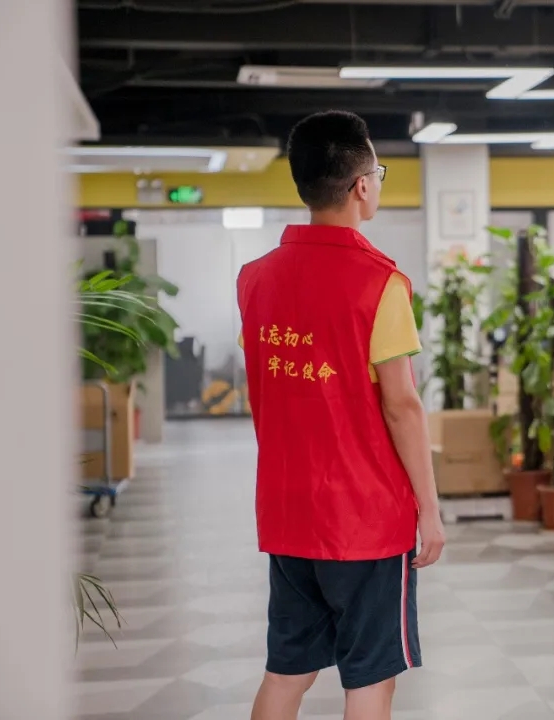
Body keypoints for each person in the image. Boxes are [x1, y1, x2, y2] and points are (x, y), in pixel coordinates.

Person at [236, 111, 445, 720]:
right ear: (360, 185)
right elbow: (401, 406)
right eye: (377, 172)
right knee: (371, 679)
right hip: (365, 517)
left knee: (287, 671)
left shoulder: (254, 280)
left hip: (288, 510)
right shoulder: (381, 283)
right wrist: (430, 509)